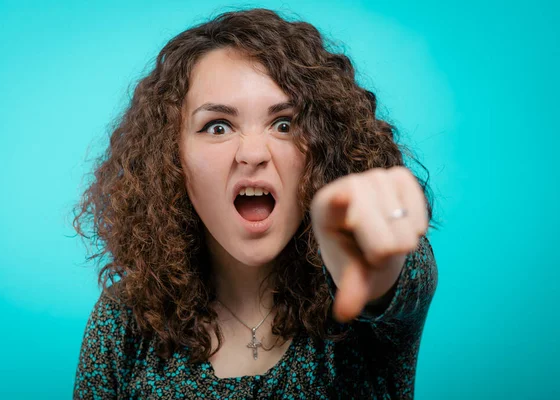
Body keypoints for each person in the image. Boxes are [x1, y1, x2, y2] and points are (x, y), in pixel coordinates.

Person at [72, 7, 438, 399]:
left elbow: (397, 278)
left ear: (323, 148)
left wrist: (373, 258)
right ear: (171, 157)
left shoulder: (365, 322)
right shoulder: (123, 320)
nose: (252, 153)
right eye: (218, 126)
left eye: (284, 123)